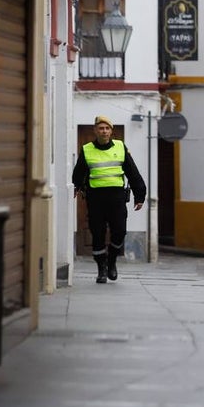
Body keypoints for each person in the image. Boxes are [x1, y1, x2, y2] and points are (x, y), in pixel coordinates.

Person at [72, 115, 147, 284]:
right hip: (95, 198)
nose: (104, 131)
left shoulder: (120, 147)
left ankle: (112, 260)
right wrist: (76, 186)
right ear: (95, 131)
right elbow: (79, 172)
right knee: (97, 234)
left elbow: (133, 173)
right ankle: (101, 269)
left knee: (119, 231)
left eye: (107, 128)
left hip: (117, 198)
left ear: (111, 131)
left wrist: (140, 195)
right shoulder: (87, 149)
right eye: (100, 128)